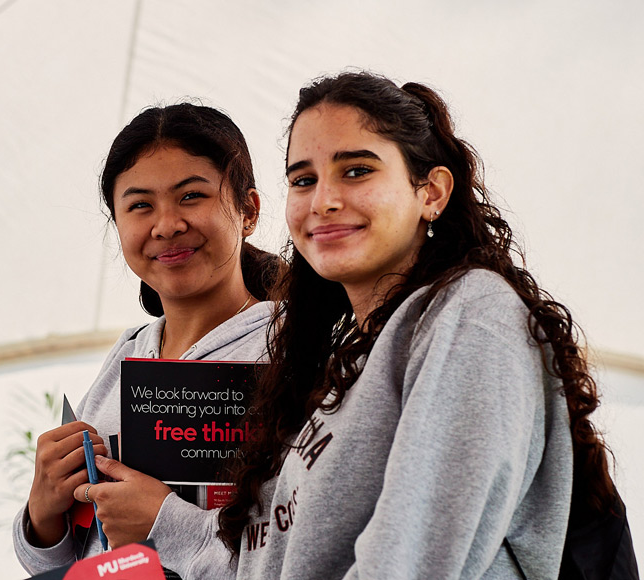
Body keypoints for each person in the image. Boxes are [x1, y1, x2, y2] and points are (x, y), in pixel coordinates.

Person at [213, 71, 617, 578]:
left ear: (431, 192)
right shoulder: (347, 357)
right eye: (303, 179)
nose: (323, 201)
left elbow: (410, 565)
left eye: (356, 170)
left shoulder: (470, 313)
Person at [12, 102, 281, 579]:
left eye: (191, 196)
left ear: (248, 210)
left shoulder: (293, 352)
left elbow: (297, 552)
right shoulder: (128, 353)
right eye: (140, 205)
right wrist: (43, 515)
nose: (166, 225)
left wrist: (164, 522)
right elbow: (72, 556)